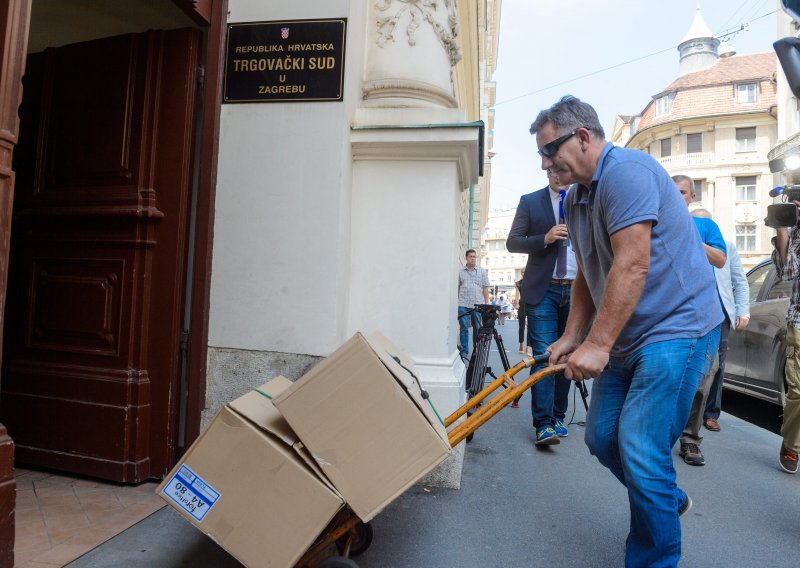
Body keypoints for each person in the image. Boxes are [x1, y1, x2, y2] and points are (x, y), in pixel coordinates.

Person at [535, 95, 722, 567]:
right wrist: (573, 335)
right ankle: (665, 499)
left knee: (640, 446)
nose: (545, 162)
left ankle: (653, 557)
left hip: (677, 327)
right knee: (601, 438)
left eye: (550, 149)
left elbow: (633, 262)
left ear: (581, 137)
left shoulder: (628, 172)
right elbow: (587, 273)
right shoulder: (576, 198)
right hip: (627, 334)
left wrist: (598, 343)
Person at [507, 170, 576, 446]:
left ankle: (558, 416)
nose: (559, 175)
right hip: (544, 289)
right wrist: (544, 239)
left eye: (564, 170)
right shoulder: (530, 201)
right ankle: (543, 425)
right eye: (553, 171)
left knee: (566, 358)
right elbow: (513, 242)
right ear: (547, 172)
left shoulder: (586, 200)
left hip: (577, 291)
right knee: (545, 356)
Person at [672, 177, 727, 467]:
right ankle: (658, 435)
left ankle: (690, 440)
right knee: (664, 376)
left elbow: (720, 259)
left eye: (682, 192)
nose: (676, 196)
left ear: (692, 196)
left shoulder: (705, 227)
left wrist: (693, 238)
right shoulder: (653, 222)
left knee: (701, 380)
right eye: (672, 191)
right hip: (666, 315)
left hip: (704, 316)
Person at [689, 209, 750, 433]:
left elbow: (740, 281)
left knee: (717, 365)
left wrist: (743, 311)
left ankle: (711, 413)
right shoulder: (684, 240)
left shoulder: (726, 245)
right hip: (692, 311)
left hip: (721, 313)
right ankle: (685, 413)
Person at [771, 212, 800, 474]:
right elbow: (788, 272)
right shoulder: (796, 233)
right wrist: (783, 228)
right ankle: (792, 444)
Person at [458, 249, 490, 356]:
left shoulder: (482, 271)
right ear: (466, 258)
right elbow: (457, 288)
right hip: (463, 303)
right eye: (470, 256)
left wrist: (487, 305)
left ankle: (476, 350)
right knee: (464, 328)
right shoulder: (460, 272)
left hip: (477, 305)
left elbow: (485, 288)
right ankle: (464, 351)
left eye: (474, 256)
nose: (472, 258)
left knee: (477, 328)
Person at [515, 270, 531, 355]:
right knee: (521, 326)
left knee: (530, 326)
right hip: (521, 305)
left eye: (525, 271)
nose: (524, 273)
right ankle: (521, 344)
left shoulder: (532, 282)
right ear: (521, 273)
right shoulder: (518, 283)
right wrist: (517, 304)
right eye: (523, 272)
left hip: (530, 304)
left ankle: (528, 347)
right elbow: (517, 295)